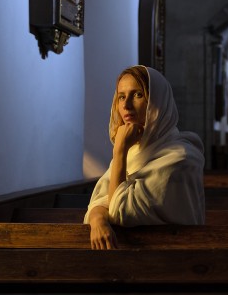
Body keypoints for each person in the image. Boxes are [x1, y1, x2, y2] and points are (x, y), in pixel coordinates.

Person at [84, 65, 205, 249]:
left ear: (158, 103)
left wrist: (120, 150)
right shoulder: (133, 153)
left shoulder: (181, 159)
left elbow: (119, 211)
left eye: (138, 95)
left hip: (174, 259)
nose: (126, 105)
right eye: (121, 97)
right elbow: (99, 202)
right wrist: (98, 221)